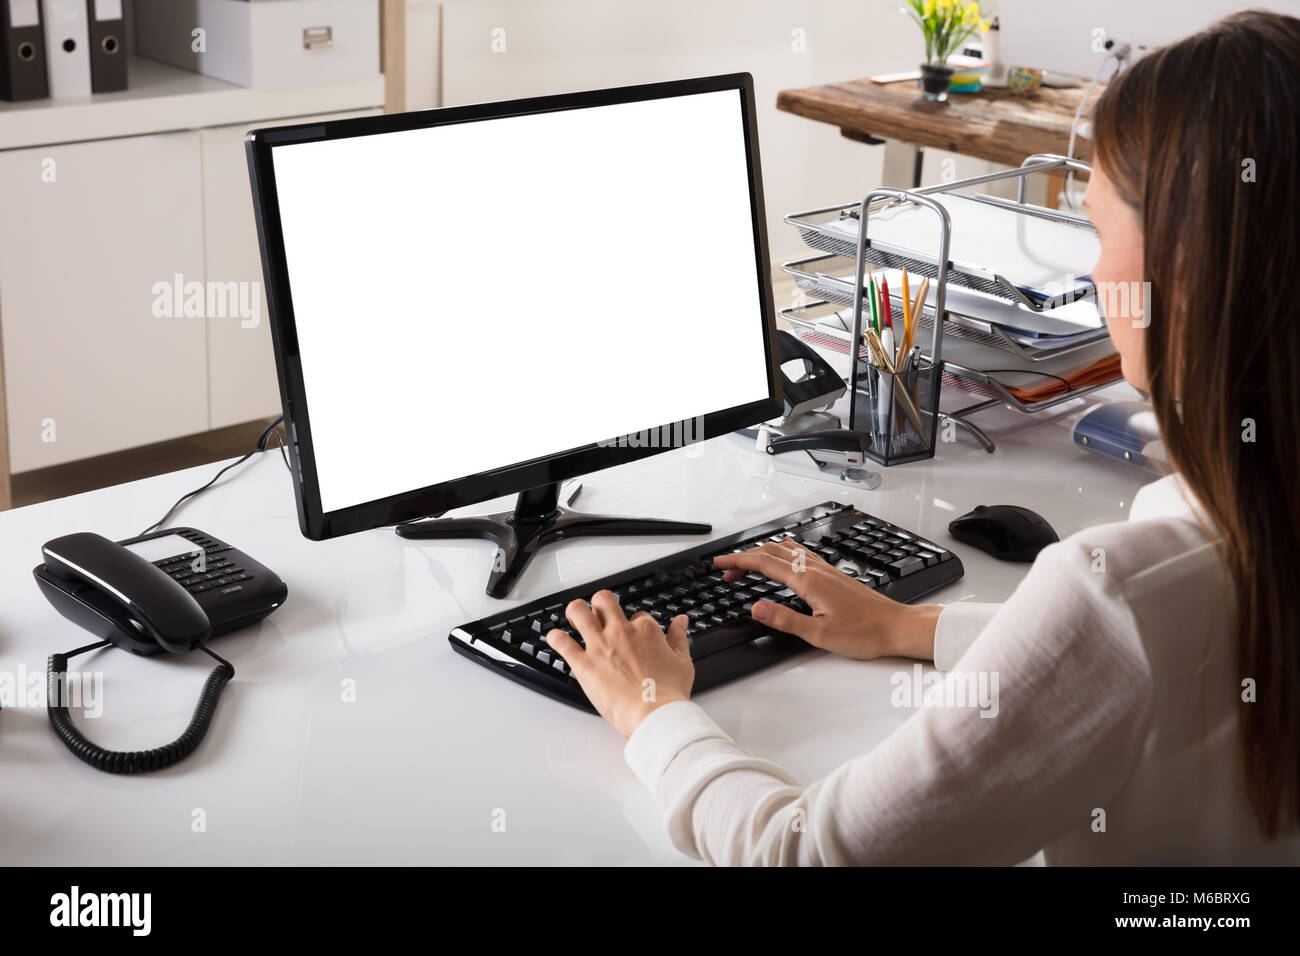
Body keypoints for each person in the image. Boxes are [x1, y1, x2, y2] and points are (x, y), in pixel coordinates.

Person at [544, 9, 1300, 865]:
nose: (1091, 271)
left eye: (1098, 227)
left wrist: (653, 712)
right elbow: (1117, 673)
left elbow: (805, 853)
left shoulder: (1124, 593)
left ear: (1187, 266)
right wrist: (915, 628)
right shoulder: (1232, 532)